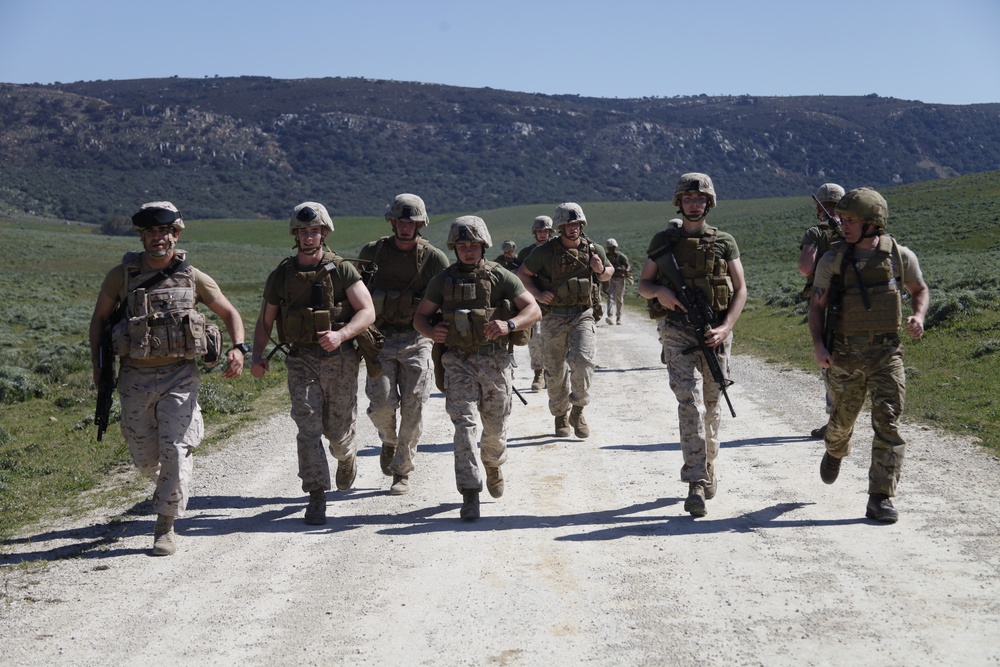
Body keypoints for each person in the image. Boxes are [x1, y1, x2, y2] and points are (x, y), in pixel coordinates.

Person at [89, 201, 247, 556]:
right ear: (142, 236)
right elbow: (99, 321)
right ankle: (171, 473)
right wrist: (98, 368)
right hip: (135, 377)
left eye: (164, 232)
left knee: (174, 449)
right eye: (150, 233)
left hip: (180, 376)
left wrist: (239, 348)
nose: (158, 239)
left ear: (175, 234)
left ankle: (165, 524)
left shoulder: (193, 276)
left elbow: (229, 311)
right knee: (146, 457)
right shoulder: (122, 275)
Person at [249, 202, 375, 526]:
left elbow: (367, 311)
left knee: (337, 432)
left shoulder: (341, 268)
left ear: (324, 232)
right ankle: (316, 494)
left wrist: (342, 334)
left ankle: (346, 457)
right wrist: (257, 357)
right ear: (295, 234)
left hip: (341, 359)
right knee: (308, 428)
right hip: (301, 359)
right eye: (303, 231)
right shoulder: (281, 275)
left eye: (314, 230)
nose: (308, 236)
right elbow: (266, 321)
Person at [808, 187, 928, 523]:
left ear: (872, 223)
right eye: (842, 218)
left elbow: (920, 289)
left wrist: (918, 316)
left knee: (888, 421)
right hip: (844, 353)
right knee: (841, 422)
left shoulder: (899, 257)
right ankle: (835, 448)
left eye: (850, 220)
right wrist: (819, 345)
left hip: (886, 353)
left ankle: (881, 497)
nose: (842, 224)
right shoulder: (832, 260)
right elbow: (816, 307)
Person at [414, 216, 541, 520]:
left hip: (495, 362)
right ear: (454, 247)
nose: (468, 250)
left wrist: (509, 323)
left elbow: (533, 309)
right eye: (462, 245)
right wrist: (432, 333)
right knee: (464, 426)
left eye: (474, 244)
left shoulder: (500, 276)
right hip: (458, 362)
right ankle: (470, 492)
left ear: (484, 245)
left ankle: (494, 464)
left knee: (494, 428)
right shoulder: (442, 280)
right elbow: (420, 317)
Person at [637, 173, 747, 518]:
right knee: (689, 403)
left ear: (709, 203)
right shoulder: (663, 241)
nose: (694, 204)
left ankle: (708, 463)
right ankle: (695, 480)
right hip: (677, 331)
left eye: (700, 199)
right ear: (679, 203)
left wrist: (726, 327)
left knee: (713, 405)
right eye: (688, 199)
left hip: (714, 330)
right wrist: (660, 292)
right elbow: (643, 283)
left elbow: (741, 289)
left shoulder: (724, 241)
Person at [357, 194, 450, 495]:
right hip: (380, 338)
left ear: (421, 224)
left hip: (417, 338)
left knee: (414, 406)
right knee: (382, 404)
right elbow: (354, 293)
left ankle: (402, 471)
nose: (406, 228)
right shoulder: (372, 252)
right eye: (400, 221)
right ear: (392, 222)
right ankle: (388, 439)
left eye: (412, 222)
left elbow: (449, 299)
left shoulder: (435, 259)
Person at [518, 203, 613, 439]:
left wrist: (601, 270)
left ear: (582, 225)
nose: (573, 229)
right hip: (553, 317)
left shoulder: (593, 249)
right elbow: (523, 275)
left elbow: (609, 272)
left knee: (583, 361)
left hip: (583, 314)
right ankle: (560, 414)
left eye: (577, 224)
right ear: (560, 227)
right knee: (555, 370)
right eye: (568, 225)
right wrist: (538, 295)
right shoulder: (544, 252)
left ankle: (578, 410)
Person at [798, 183, 846, 439]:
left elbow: (806, 268)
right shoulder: (856, 230)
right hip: (857, 302)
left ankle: (835, 422)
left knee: (827, 359)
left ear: (819, 207)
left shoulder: (816, 232)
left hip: (825, 302)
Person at [517, 215, 554, 391]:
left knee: (556, 338)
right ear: (534, 233)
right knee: (535, 336)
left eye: (545, 231)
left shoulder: (559, 250)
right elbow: (518, 278)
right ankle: (539, 372)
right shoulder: (526, 253)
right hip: (535, 301)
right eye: (539, 231)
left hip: (556, 301)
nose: (542, 234)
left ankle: (554, 372)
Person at [603, 238, 631, 325]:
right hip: (610, 279)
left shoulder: (620, 256)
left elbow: (628, 265)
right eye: (610, 248)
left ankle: (619, 318)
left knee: (619, 298)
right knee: (610, 297)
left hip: (620, 279)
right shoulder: (605, 256)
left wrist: (626, 271)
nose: (612, 249)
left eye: (613, 247)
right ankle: (610, 316)